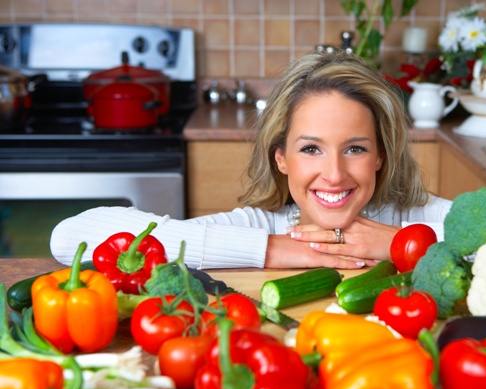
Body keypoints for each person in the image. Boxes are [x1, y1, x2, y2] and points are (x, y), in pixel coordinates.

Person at [50, 51, 452, 270]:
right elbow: (68, 238)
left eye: (355, 149)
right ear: (281, 159)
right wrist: (277, 250)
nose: (333, 174)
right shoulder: (263, 224)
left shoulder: (408, 218)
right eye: (310, 148)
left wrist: (404, 244)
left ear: (380, 156)